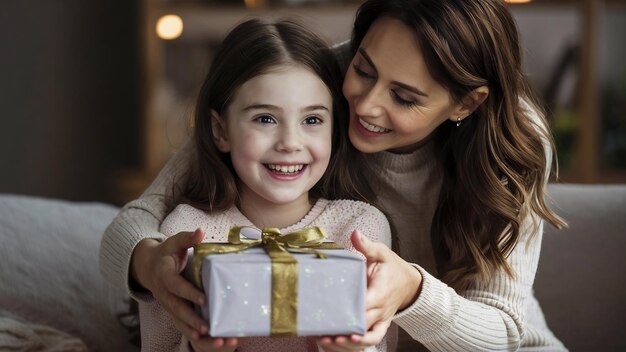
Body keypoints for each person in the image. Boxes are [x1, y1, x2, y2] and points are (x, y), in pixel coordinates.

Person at [100, 0, 568, 351]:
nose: (363, 105)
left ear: (467, 103)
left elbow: (504, 332)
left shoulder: (515, 142)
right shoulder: (311, 83)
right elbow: (143, 215)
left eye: (404, 97)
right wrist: (151, 265)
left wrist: (412, 291)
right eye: (364, 69)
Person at [127, 18, 392, 352]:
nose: (290, 142)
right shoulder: (187, 233)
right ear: (220, 130)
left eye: (312, 120)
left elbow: (381, 343)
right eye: (265, 119)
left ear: (334, 129)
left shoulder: (360, 230)